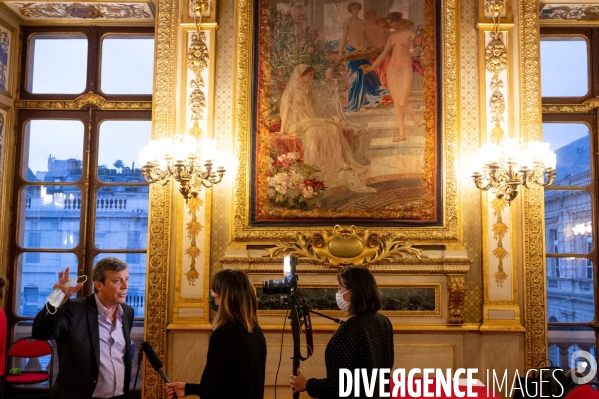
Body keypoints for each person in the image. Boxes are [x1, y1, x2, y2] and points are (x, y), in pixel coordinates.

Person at [32, 258, 134, 399]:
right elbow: (40, 332)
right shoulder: (74, 309)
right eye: (117, 280)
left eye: (126, 279)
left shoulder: (127, 312)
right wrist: (57, 300)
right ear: (99, 285)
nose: (125, 286)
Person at [289, 265, 394, 398]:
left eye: (340, 288)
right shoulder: (383, 322)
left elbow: (339, 386)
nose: (337, 294)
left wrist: (308, 384)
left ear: (355, 292)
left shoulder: (350, 329)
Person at [165, 268, 267, 399]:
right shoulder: (256, 332)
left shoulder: (224, 335)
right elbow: (236, 384)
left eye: (214, 292)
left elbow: (214, 392)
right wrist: (188, 388)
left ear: (225, 298)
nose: (212, 297)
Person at [279, 64, 376, 193]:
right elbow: (286, 111)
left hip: (310, 118)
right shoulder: (291, 90)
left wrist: (322, 119)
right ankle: (328, 163)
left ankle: (340, 161)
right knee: (315, 132)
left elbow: (315, 107)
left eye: (312, 75)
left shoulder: (307, 87)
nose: (311, 77)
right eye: (309, 75)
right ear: (301, 75)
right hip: (297, 121)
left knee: (332, 128)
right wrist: (282, 129)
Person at [365, 12, 423, 142]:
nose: (390, 25)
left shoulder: (410, 34)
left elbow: (418, 48)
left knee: (402, 99)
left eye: (392, 22)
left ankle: (415, 118)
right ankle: (402, 133)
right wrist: (371, 68)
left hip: (405, 68)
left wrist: (418, 47)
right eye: (389, 23)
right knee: (397, 102)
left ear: (398, 21)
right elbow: (383, 54)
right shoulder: (391, 37)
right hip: (392, 69)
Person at [337, 1, 389, 112]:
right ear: (350, 10)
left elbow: (368, 38)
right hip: (352, 52)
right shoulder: (347, 22)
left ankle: (364, 103)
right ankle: (357, 104)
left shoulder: (363, 23)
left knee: (368, 76)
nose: (356, 10)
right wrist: (340, 52)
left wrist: (376, 47)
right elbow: (344, 37)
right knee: (356, 78)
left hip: (363, 52)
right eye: (354, 8)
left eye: (357, 8)